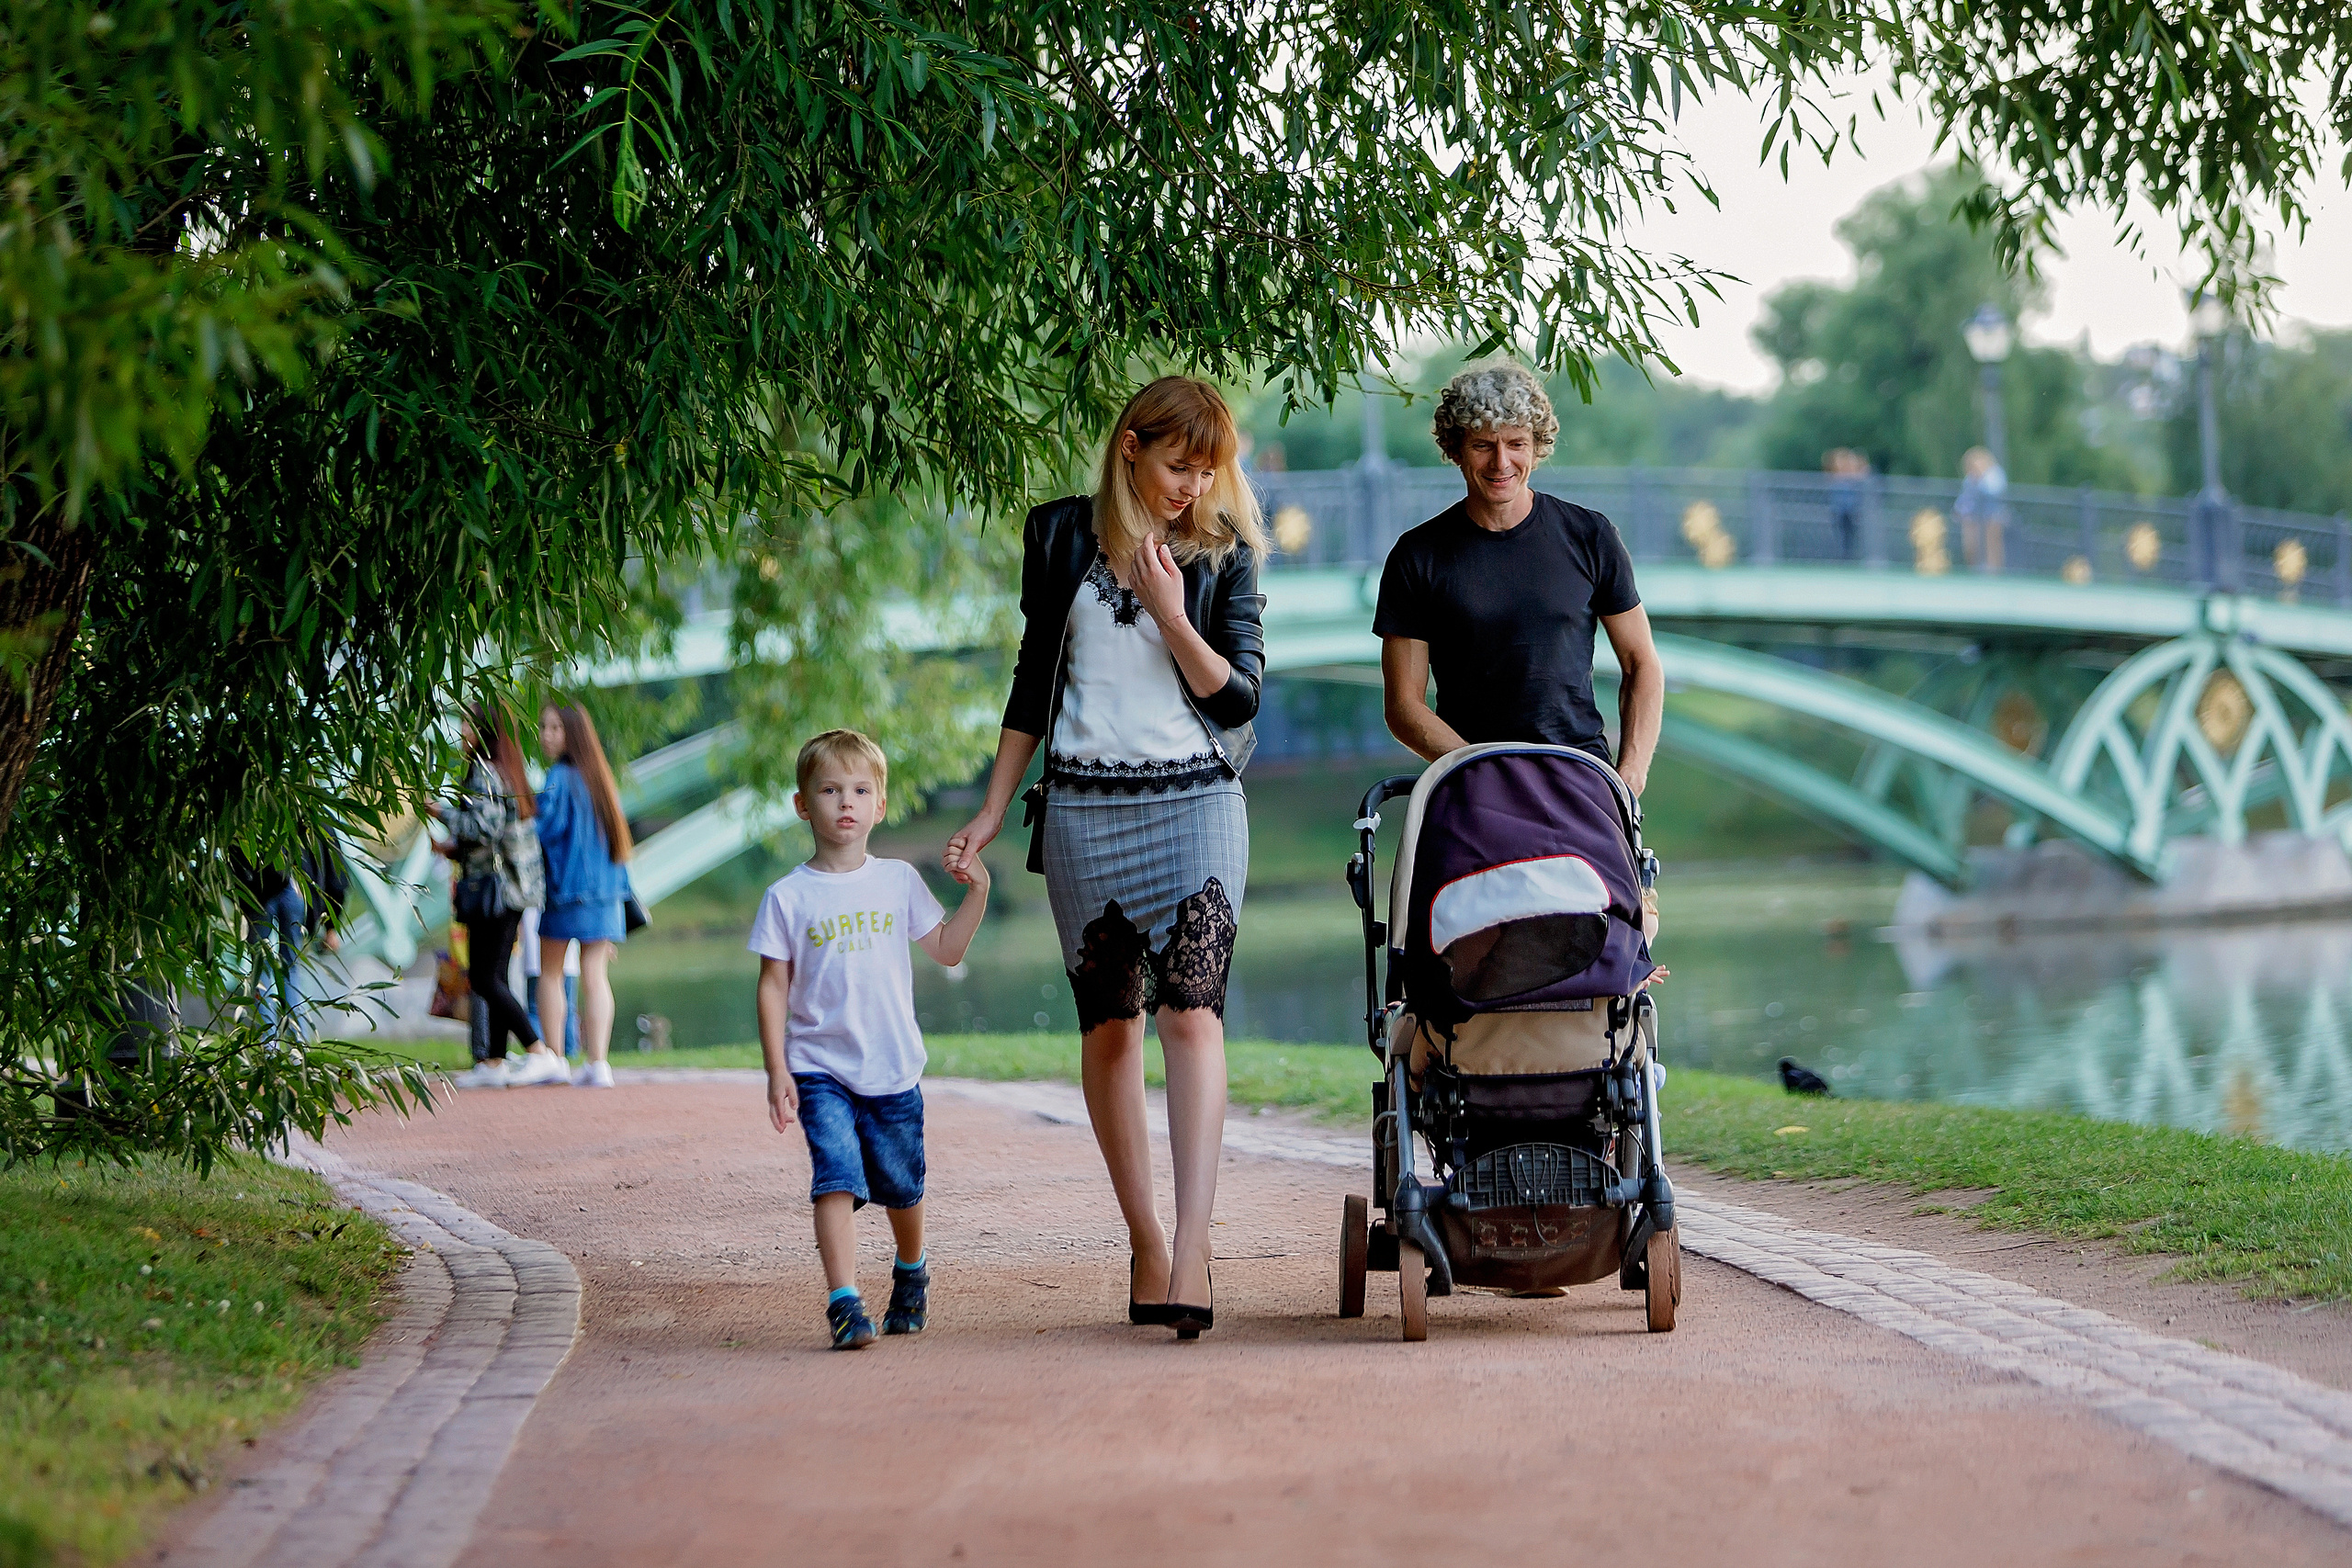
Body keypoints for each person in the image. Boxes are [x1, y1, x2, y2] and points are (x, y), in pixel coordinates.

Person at [944, 376, 1267, 1339]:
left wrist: (1173, 613)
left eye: (1208, 467)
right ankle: (1146, 1240)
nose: (1192, 484)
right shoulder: (1056, 536)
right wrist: (995, 807)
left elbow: (1240, 696)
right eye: (1177, 463)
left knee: (1191, 1019)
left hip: (1198, 801)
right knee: (1110, 1030)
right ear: (1130, 447)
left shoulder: (1226, 551)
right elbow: (1032, 681)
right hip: (1086, 806)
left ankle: (1196, 1241)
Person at [754, 729, 989, 1349]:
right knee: (834, 1175)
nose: (846, 801)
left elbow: (946, 948)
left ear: (880, 805)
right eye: (829, 789)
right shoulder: (787, 896)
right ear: (804, 804)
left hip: (891, 1067)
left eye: (860, 789)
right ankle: (844, 1301)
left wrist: (979, 892)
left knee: (900, 1186)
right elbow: (773, 986)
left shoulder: (896, 881)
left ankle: (910, 1270)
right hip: (818, 1067)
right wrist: (778, 1069)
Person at [1374, 361, 1663, 788]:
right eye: (1482, 445)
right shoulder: (1417, 556)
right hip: (1473, 782)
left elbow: (1641, 664)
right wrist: (1481, 769)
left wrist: (1631, 774)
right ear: (1455, 448)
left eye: (1516, 443)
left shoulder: (1590, 536)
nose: (1501, 462)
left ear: (1536, 447)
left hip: (1582, 777)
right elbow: (1403, 705)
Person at [432, 708, 547, 1089]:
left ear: (482, 729)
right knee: (493, 976)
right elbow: (494, 831)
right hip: (510, 888)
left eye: (465, 723)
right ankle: (494, 1062)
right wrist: (452, 850)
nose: (460, 730)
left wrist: (440, 811)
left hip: (495, 890)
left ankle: (538, 1050)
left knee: (483, 977)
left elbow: (486, 826)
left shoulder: (484, 770)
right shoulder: (507, 768)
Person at [535, 702, 633, 1089]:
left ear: (572, 733)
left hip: (567, 892)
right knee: (596, 975)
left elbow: (544, 832)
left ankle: (556, 1059)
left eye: (555, 728)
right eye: (544, 727)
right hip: (607, 895)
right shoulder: (601, 779)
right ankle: (599, 1064)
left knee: (551, 974)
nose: (546, 735)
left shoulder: (558, 778)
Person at [1955, 446, 2007, 572]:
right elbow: (1966, 497)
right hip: (1974, 517)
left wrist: (1979, 481)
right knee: (1971, 544)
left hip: (1992, 516)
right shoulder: (1969, 479)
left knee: (1992, 545)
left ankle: (1993, 572)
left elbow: (1995, 493)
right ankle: (1974, 570)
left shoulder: (1994, 475)